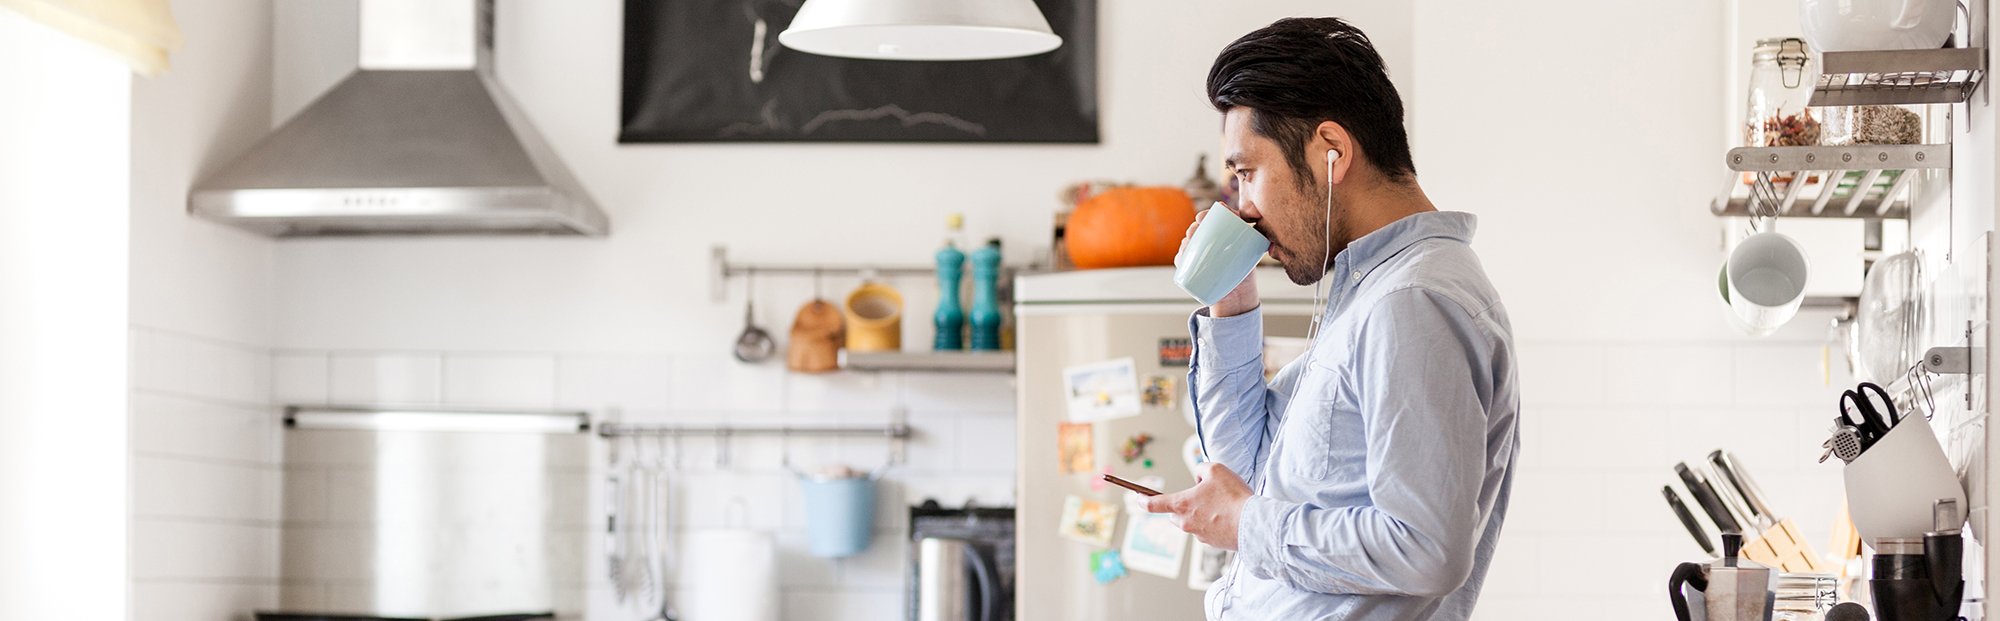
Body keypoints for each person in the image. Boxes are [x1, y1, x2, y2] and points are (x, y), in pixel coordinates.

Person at [1142, 17, 1520, 621]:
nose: (1241, 208)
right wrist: (1230, 300)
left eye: (1246, 174)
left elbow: (1425, 549)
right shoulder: (1366, 294)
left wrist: (1246, 524)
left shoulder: (1411, 302)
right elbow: (1244, 470)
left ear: (1331, 151)